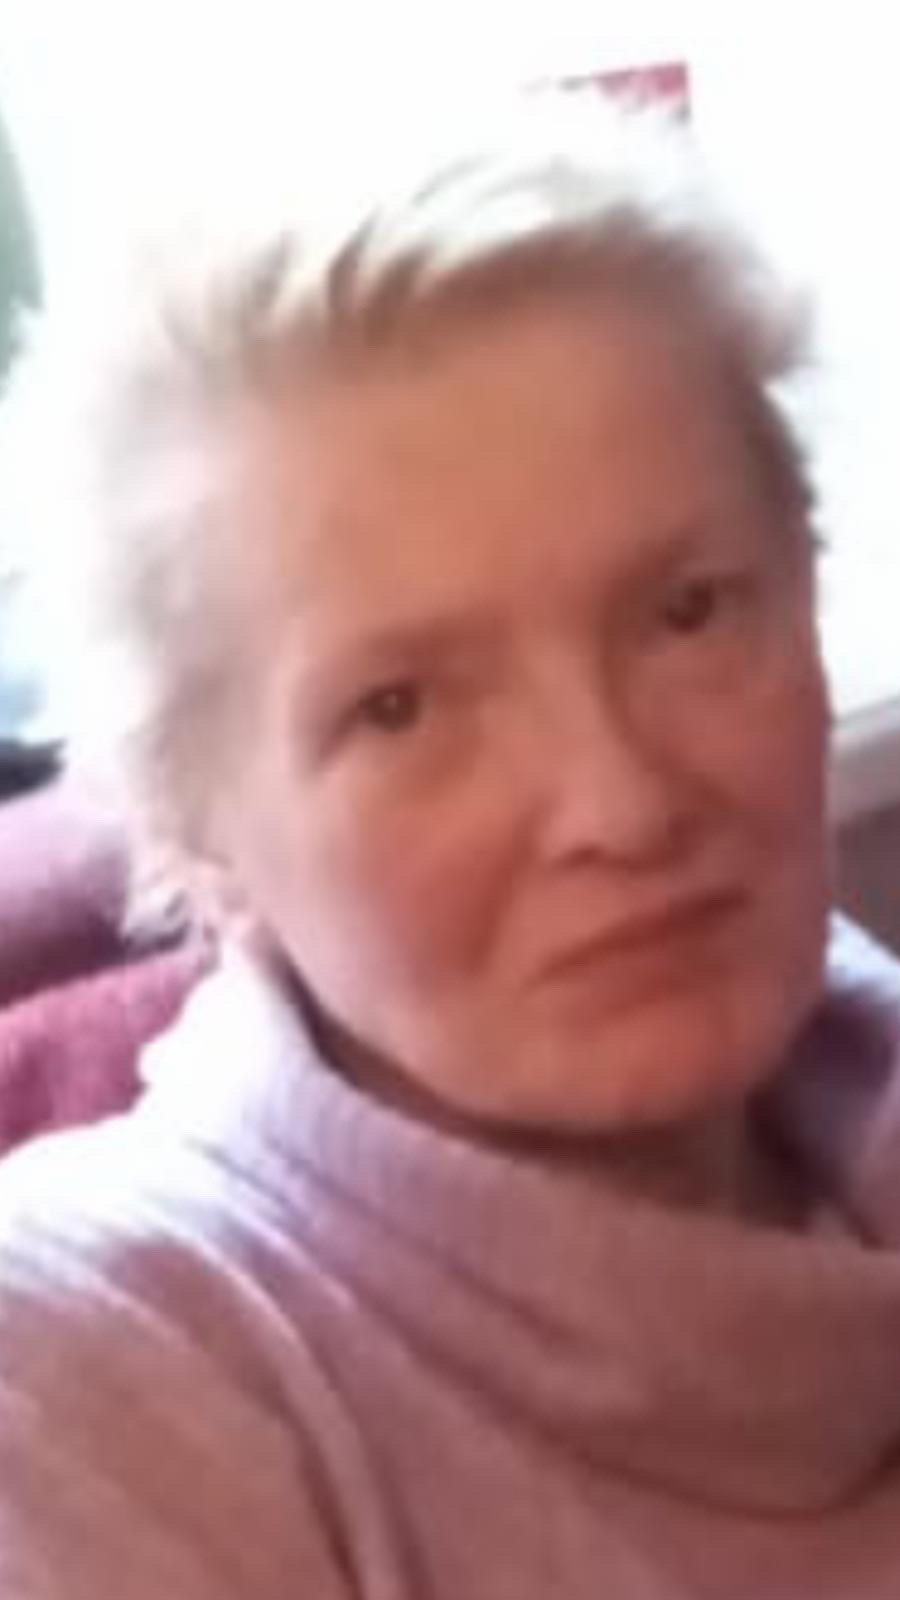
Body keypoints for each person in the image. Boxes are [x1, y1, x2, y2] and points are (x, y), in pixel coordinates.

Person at [1, 88, 899, 1599]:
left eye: (687, 613)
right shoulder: (89, 1381)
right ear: (192, 826)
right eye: (400, 709)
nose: (621, 803)